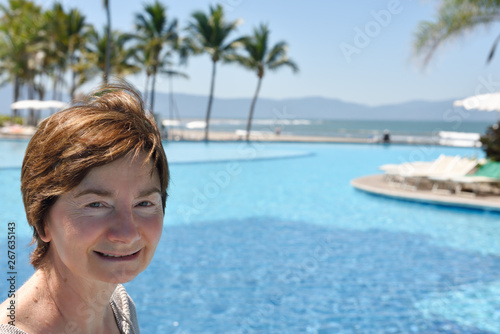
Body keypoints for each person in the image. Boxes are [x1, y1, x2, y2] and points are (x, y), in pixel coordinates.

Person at [0, 82, 169, 334]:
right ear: (42, 221)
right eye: (96, 204)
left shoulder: (119, 307)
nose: (127, 233)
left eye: (144, 203)